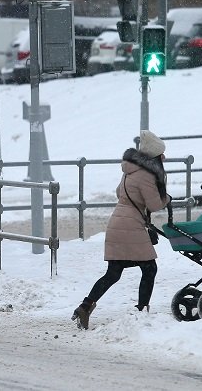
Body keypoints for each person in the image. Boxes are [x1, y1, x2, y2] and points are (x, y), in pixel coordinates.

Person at [73, 130, 170, 330]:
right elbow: (154, 205)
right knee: (149, 268)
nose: (164, 158)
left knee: (114, 272)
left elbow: (120, 193)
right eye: (161, 155)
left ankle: (85, 306)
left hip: (119, 221)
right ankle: (142, 311)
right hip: (130, 226)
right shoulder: (146, 175)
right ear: (154, 157)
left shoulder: (130, 170)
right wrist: (167, 198)